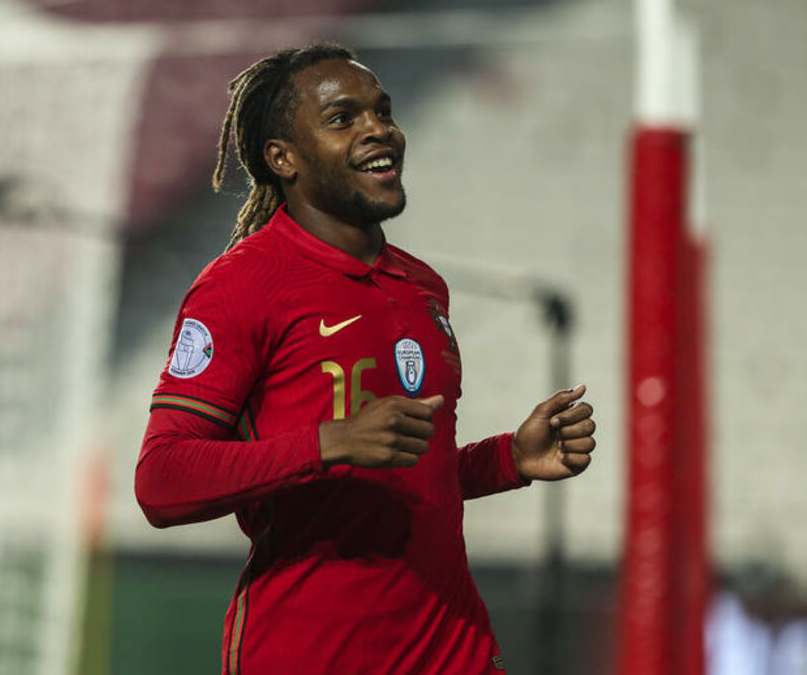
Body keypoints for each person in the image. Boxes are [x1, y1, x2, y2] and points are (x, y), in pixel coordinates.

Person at [135, 43, 597, 675]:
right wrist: (328, 443)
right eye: (342, 118)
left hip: (452, 650)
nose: (378, 128)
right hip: (312, 655)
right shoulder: (242, 286)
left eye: (383, 111)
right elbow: (161, 482)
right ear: (283, 158)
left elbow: (405, 478)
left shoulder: (423, 287)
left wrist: (506, 459)